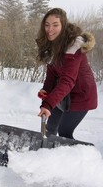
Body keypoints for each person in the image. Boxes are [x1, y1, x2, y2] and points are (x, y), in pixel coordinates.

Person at [36, 8, 97, 139]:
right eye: (47, 25)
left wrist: (48, 104)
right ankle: (45, 156)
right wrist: (46, 90)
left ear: (63, 25)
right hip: (64, 93)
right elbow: (52, 73)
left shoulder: (74, 47)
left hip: (81, 94)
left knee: (64, 132)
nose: (50, 29)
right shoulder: (52, 45)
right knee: (50, 127)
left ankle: (76, 157)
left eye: (55, 25)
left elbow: (67, 80)